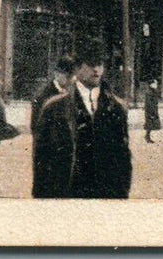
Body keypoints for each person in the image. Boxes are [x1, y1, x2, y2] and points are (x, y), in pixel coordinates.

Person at [33, 44, 132, 199]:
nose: (97, 69)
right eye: (91, 64)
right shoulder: (54, 107)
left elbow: (123, 157)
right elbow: (42, 158)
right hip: (67, 191)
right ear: (78, 68)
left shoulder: (117, 107)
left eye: (100, 64)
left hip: (106, 192)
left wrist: (122, 194)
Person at [31, 53, 77, 133]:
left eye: (73, 76)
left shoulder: (73, 93)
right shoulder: (43, 95)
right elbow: (36, 126)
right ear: (57, 73)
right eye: (68, 76)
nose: (71, 80)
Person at [143, 79, 161, 144]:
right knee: (149, 124)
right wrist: (152, 111)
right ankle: (147, 137)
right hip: (150, 110)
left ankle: (147, 136)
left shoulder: (154, 92)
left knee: (151, 124)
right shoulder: (149, 93)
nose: (156, 85)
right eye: (155, 84)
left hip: (153, 109)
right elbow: (149, 103)